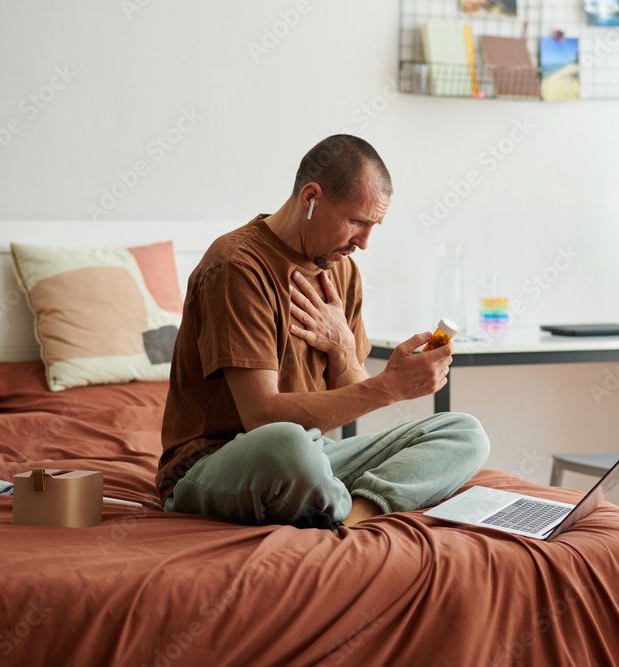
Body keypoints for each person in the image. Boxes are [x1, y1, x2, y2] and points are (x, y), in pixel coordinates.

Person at [156, 134, 490, 529]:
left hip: (313, 458)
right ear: (310, 197)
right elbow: (262, 418)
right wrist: (390, 387)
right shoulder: (237, 267)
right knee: (288, 445)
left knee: (464, 432)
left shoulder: (340, 268)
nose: (363, 242)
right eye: (357, 222)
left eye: (374, 226)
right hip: (220, 462)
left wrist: (344, 351)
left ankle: (351, 516)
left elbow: (350, 391)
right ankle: (336, 498)